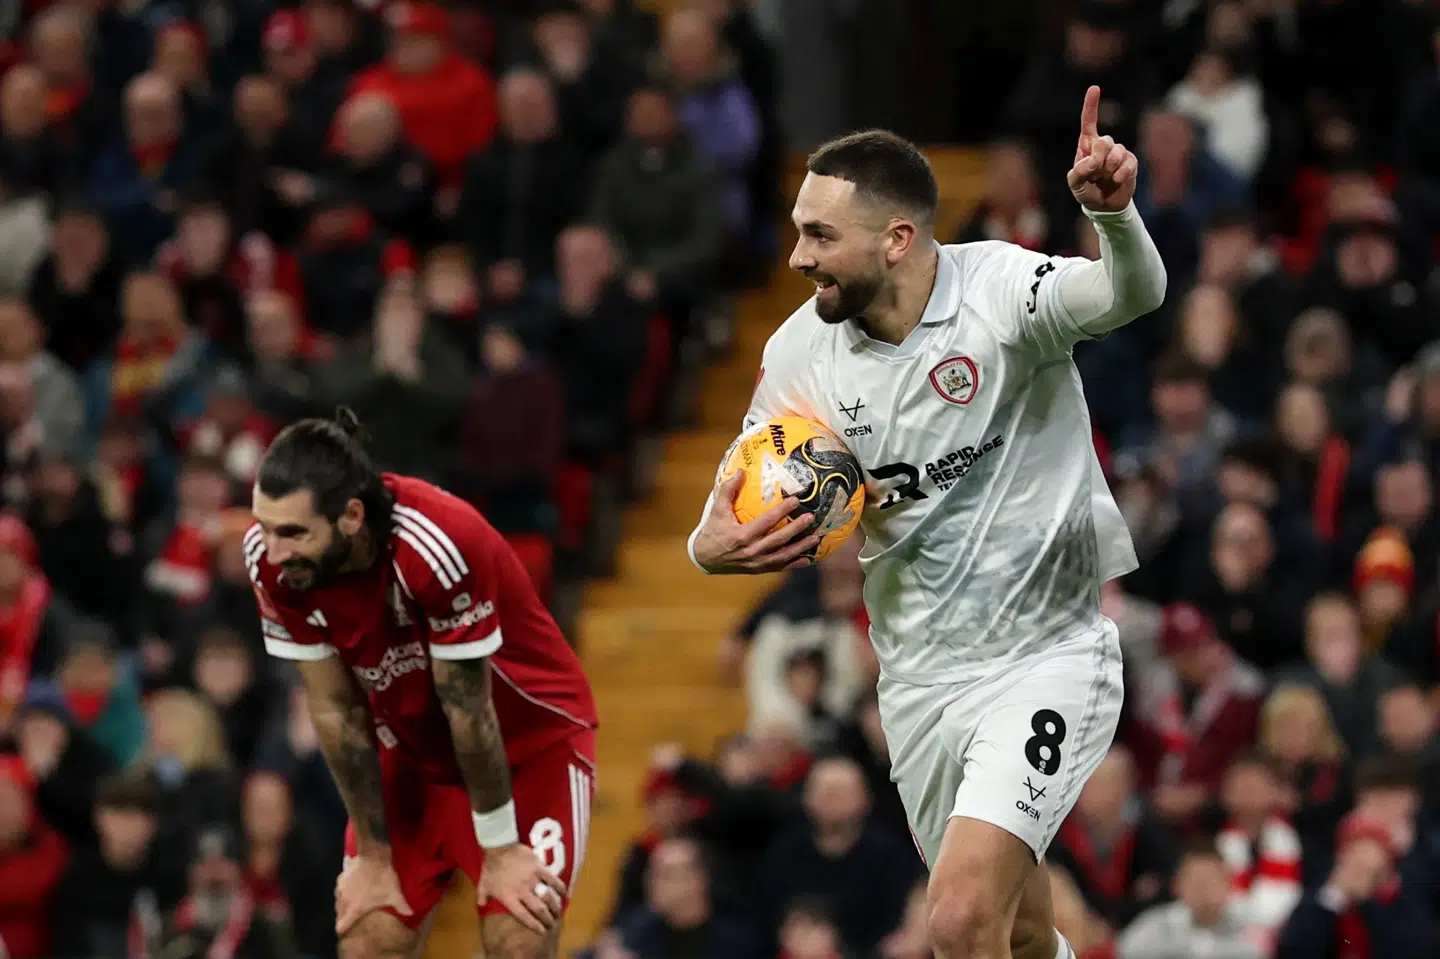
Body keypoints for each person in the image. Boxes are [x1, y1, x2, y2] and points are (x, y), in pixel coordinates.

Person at [687, 86, 1167, 959]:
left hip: (1046, 654)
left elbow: (1129, 295)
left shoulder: (1002, 293)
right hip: (918, 687)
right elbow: (737, 493)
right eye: (798, 229)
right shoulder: (802, 351)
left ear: (897, 239)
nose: (797, 257)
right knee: (1019, 935)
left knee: (952, 920)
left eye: (820, 236)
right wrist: (708, 548)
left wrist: (1119, 219)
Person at [245, 408, 598, 959]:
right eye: (263, 526)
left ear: (351, 517)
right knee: (367, 942)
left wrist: (501, 850)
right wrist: (374, 859)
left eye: (292, 532)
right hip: (410, 753)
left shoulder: (436, 542)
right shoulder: (274, 565)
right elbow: (336, 711)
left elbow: (469, 707)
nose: (273, 551)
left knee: (518, 942)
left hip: (528, 748)